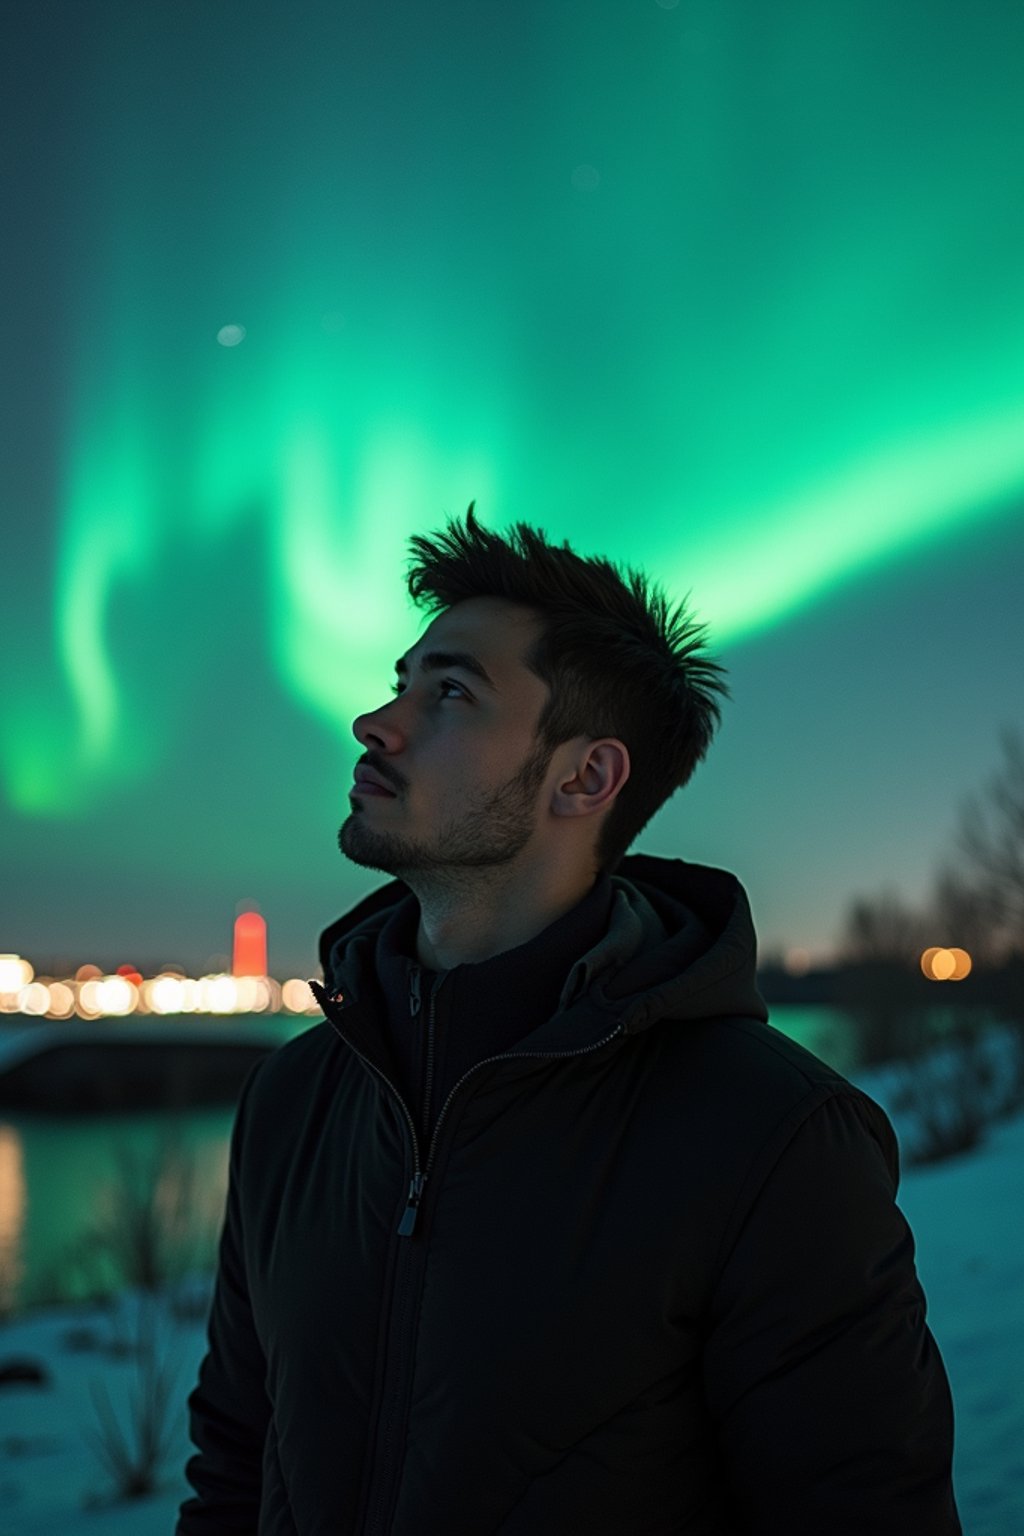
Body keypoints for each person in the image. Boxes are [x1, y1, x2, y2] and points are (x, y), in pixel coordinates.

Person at [178, 507, 961, 1535]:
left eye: (449, 692)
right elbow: (234, 1467)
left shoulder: (774, 1140)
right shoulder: (295, 1099)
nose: (378, 721)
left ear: (585, 777)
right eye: (401, 680)